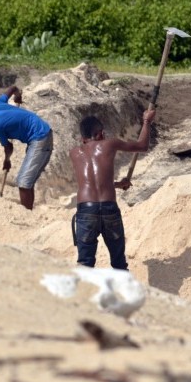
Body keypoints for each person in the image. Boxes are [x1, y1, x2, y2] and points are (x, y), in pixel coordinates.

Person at [69, 108, 156, 270]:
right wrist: (146, 121)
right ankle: (124, 292)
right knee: (118, 263)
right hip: (109, 209)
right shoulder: (109, 144)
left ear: (82, 139)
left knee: (85, 264)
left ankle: (83, 294)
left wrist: (117, 184)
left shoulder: (74, 153)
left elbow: (92, 183)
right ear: (101, 134)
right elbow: (142, 146)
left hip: (86, 211)